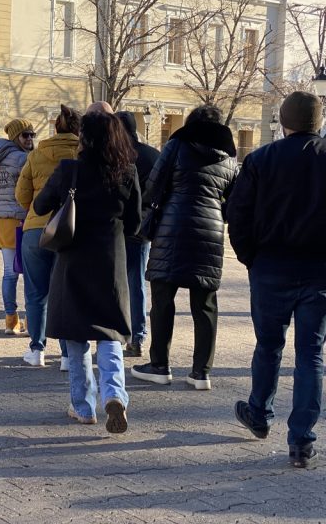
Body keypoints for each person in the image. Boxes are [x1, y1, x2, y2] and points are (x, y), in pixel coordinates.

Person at [228, 91, 326, 469]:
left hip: (270, 265)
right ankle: (301, 441)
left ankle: (259, 412)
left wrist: (250, 257)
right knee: (310, 355)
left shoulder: (261, 159)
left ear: (284, 122)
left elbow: (238, 214)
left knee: (268, 344)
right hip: (319, 269)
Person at [33, 110, 141, 432]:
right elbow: (135, 222)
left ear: (85, 138)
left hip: (74, 260)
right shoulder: (127, 171)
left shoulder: (71, 170)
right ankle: (115, 394)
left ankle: (83, 406)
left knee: (77, 335)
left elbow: (40, 206)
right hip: (111, 261)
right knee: (110, 333)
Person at [132, 105, 238, 391]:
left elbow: (154, 184)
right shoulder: (229, 157)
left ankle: (159, 365)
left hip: (173, 227)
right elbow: (235, 200)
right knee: (205, 304)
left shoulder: (178, 144)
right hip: (210, 232)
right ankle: (201, 372)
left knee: (163, 298)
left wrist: (149, 209)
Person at [15, 104, 81, 368]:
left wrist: (34, 209)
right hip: (69, 230)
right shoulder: (82, 154)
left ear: (56, 127)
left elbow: (21, 194)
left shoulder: (37, 153)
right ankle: (66, 354)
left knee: (35, 292)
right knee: (65, 293)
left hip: (35, 228)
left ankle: (37, 349)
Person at [115, 111, 161, 358]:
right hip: (143, 227)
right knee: (136, 284)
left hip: (118, 225)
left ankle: (118, 333)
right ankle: (137, 336)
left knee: (116, 281)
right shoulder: (152, 154)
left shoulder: (118, 156)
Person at [0, 118, 33, 336]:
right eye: (26, 135)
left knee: (9, 273)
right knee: (30, 273)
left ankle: (10, 320)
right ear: (16, 137)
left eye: (32, 134)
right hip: (21, 219)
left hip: (3, 220)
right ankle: (30, 320)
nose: (30, 139)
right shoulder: (23, 158)